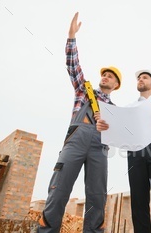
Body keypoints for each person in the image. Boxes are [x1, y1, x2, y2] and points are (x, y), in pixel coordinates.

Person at [38, 12, 122, 233]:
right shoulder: (84, 92)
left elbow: (123, 137)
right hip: (75, 142)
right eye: (104, 74)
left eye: (110, 76)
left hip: (99, 149)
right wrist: (71, 37)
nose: (105, 77)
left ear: (116, 85)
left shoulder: (116, 111)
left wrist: (109, 128)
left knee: (97, 195)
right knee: (59, 189)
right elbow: (73, 66)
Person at [96, 69, 151, 233]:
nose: (140, 79)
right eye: (139, 78)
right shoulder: (130, 107)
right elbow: (118, 130)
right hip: (135, 151)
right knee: (138, 201)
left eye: (145, 77)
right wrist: (103, 127)